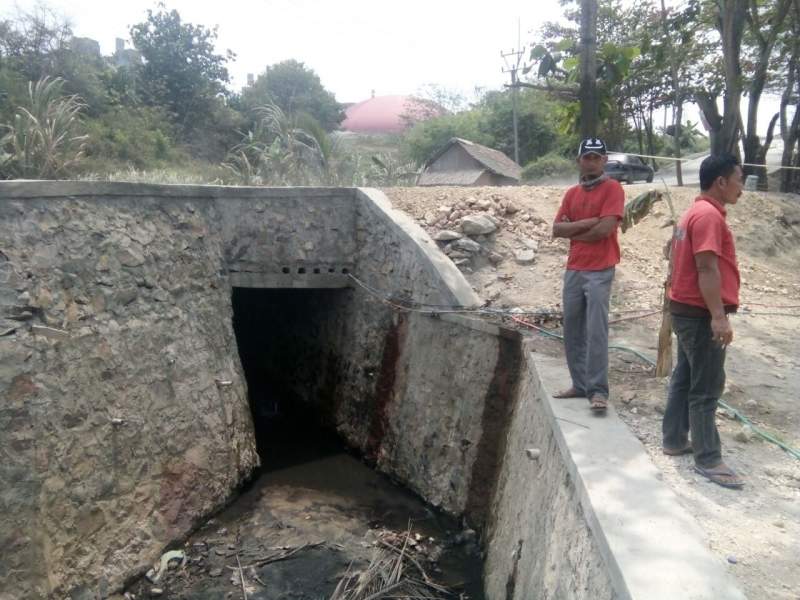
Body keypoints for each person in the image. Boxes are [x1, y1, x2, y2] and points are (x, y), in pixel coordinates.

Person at [662, 153, 745, 490]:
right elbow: (707, 268)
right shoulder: (709, 216)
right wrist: (718, 316)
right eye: (739, 179)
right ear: (721, 182)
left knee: (684, 376)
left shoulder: (693, 212)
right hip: (699, 314)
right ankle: (708, 458)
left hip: (684, 309)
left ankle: (674, 439)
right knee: (707, 385)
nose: (742, 187)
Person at [552, 138, 625, 413]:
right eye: (587, 157)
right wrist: (591, 221)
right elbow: (557, 229)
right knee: (572, 328)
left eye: (597, 157)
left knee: (596, 330)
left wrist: (577, 228)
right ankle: (579, 384)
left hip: (601, 268)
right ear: (579, 160)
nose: (591, 162)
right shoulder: (571, 194)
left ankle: (597, 391)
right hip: (574, 268)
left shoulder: (613, 189)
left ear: (604, 160)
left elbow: (604, 231)